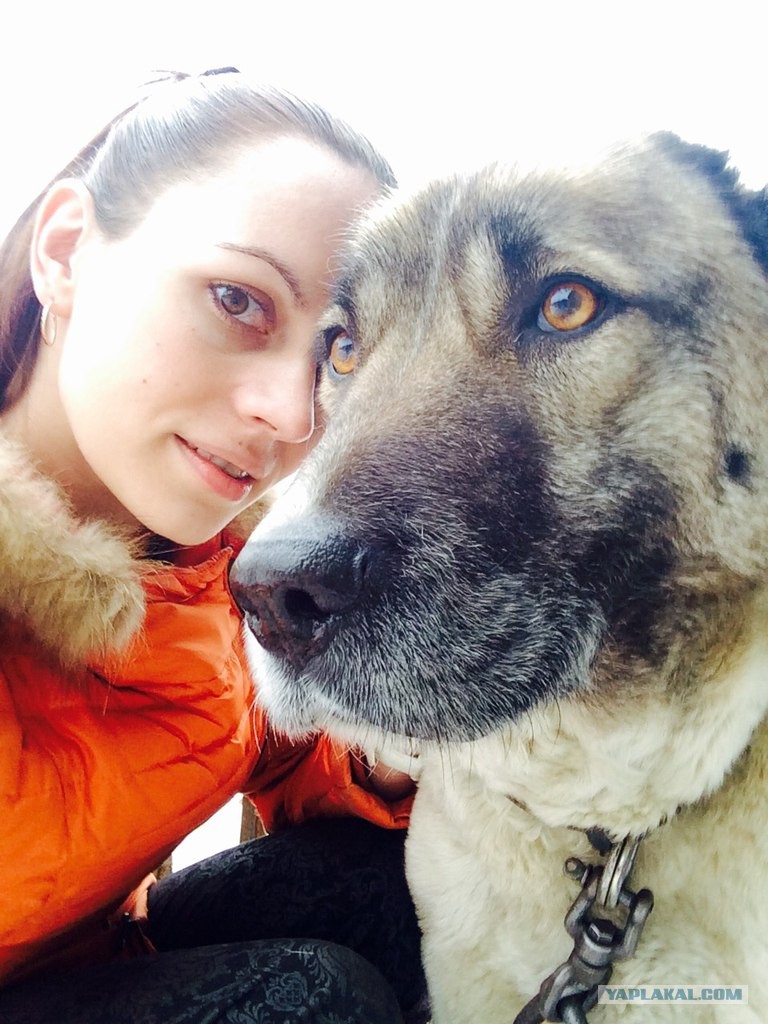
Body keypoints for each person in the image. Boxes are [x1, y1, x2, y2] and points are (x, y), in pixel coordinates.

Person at [0, 69, 426, 1024]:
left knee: (405, 890)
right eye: (238, 300)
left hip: (96, 960)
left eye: (336, 354)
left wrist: (392, 749)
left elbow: (288, 752)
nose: (291, 415)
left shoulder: (214, 571)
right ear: (66, 252)